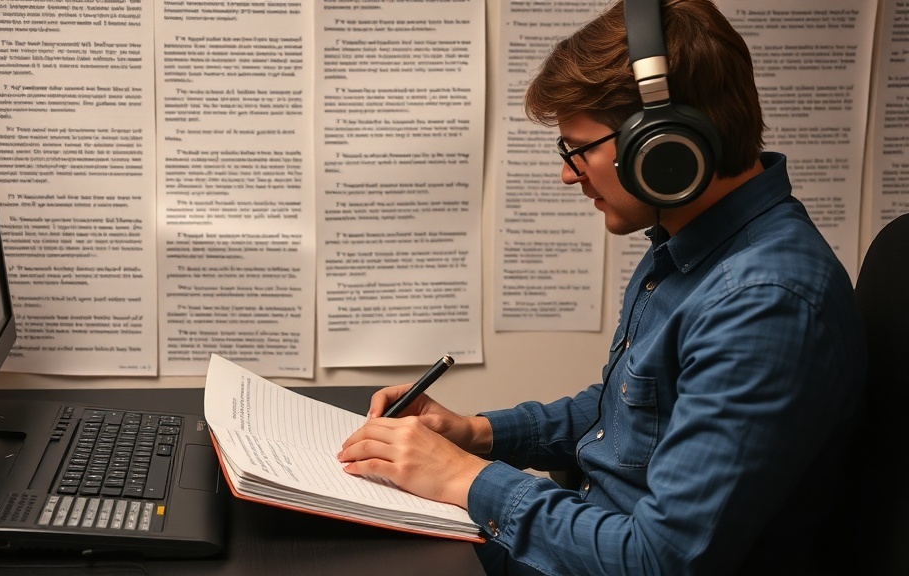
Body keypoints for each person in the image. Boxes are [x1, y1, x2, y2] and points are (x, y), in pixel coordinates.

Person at [337, 0, 867, 574]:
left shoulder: (765, 304)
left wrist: (463, 477)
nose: (568, 173)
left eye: (579, 148)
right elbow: (634, 413)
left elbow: (657, 560)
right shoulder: (687, 247)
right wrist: (477, 433)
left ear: (662, 145)